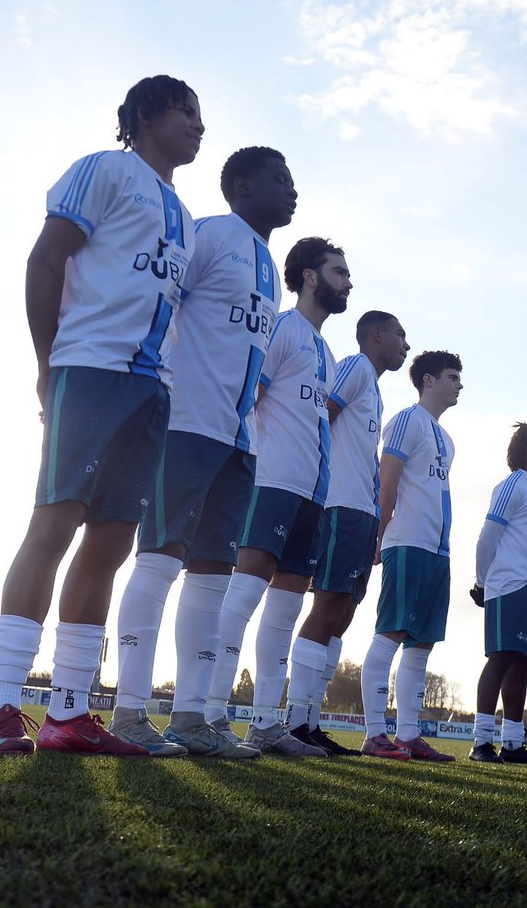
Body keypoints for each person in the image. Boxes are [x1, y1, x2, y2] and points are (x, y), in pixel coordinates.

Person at [0, 75, 202, 756]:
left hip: (150, 389)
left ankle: (69, 712)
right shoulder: (105, 170)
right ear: (145, 115)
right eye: (187, 112)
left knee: (108, 544)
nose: (199, 125)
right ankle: (2, 706)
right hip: (90, 370)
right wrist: (49, 364)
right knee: (53, 524)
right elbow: (46, 258)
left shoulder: (184, 214)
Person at [106, 146, 296, 758]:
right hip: (185, 425)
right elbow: (161, 299)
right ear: (241, 186)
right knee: (158, 561)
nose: (292, 190)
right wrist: (155, 390)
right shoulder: (213, 235)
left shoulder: (266, 262)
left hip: (238, 441)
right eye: (279, 179)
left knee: (211, 578)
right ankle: (129, 712)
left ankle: (191, 717)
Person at [201, 237, 349, 756]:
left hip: (311, 495)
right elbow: (252, 397)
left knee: (284, 612)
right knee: (242, 598)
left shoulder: (327, 351)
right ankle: (208, 713)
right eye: (338, 271)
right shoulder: (284, 328)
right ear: (310, 276)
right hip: (272, 483)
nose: (347, 281)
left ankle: (266, 724)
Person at [282, 312, 410, 755]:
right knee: (328, 606)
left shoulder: (373, 387)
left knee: (342, 615)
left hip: (362, 513)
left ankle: (311, 721)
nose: (405, 346)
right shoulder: (355, 367)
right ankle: (295, 720)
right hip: (340, 505)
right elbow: (323, 417)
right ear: (376, 336)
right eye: (399, 336)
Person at [357, 351, 463, 760]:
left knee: (421, 644)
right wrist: (378, 535)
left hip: (438, 550)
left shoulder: (445, 438)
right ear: (428, 380)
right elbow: (387, 482)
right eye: (452, 377)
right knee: (391, 633)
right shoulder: (406, 420)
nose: (459, 385)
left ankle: (408, 733)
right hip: (408, 543)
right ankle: (373, 733)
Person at [469, 425, 527, 764]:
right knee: (501, 659)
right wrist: (481, 582)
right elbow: (487, 537)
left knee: (524, 664)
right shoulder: (512, 485)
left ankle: (512, 744)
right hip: (509, 586)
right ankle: (480, 743)